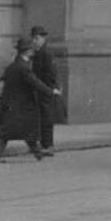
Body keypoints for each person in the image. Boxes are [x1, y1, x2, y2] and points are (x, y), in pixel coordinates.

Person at [0, 37, 59, 162]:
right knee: (25, 130)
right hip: (21, 106)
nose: (33, 51)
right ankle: (36, 151)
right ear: (27, 51)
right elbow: (36, 83)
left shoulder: (12, 66)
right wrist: (51, 91)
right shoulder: (24, 68)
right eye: (31, 49)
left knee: (8, 132)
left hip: (9, 104)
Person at [30, 25, 62, 154]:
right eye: (33, 38)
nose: (34, 41)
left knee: (46, 118)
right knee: (41, 117)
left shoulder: (46, 53)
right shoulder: (38, 52)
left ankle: (48, 145)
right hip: (41, 89)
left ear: (43, 38)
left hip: (45, 90)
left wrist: (48, 89)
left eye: (37, 38)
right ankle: (44, 144)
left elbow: (51, 73)